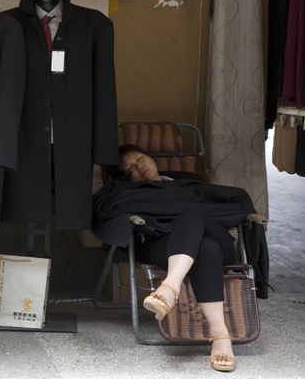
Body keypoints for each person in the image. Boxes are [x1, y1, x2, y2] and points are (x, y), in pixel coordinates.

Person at [94, 145, 270, 373]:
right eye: (129, 170)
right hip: (162, 245)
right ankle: (220, 336)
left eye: (139, 159)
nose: (138, 167)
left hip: (213, 233)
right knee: (206, 249)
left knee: (191, 215)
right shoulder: (130, 193)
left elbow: (234, 201)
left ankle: (169, 287)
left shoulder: (190, 183)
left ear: (152, 158)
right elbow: (107, 210)